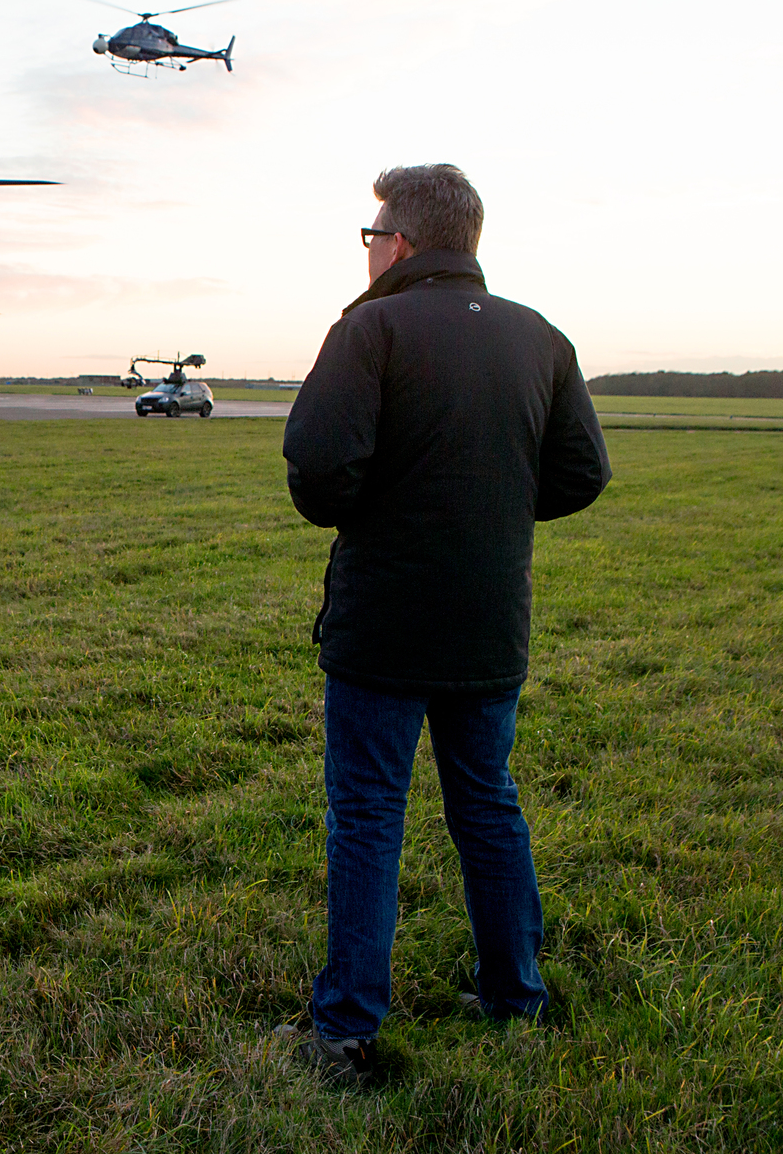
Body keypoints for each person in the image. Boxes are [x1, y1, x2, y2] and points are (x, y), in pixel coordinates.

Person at [279, 163, 611, 1085]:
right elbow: (582, 472)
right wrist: (490, 509)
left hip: (384, 623)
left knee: (370, 818)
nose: (369, 249)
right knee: (487, 805)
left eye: (372, 234)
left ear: (406, 241)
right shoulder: (538, 336)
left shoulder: (370, 325)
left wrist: (384, 508)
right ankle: (516, 994)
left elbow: (316, 466)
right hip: (489, 623)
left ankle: (345, 1029)